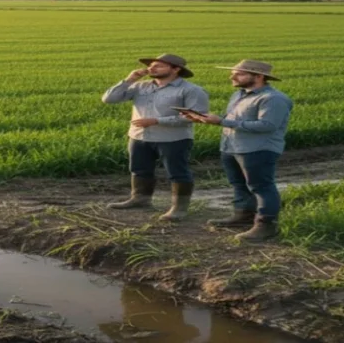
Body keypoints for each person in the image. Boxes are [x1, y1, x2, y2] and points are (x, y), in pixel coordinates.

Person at [179, 60, 293, 242]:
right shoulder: (238, 95)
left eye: (239, 74)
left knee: (261, 187)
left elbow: (267, 125)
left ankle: (266, 226)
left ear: (259, 76)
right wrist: (203, 119)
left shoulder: (273, 98)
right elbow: (234, 120)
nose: (232, 77)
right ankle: (243, 216)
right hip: (231, 146)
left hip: (257, 149)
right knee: (239, 184)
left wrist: (221, 121)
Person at [102, 53, 210, 221]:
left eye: (159, 65)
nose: (152, 68)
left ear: (176, 69)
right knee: (139, 169)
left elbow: (196, 117)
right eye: (151, 65)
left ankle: (179, 208)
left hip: (173, 139)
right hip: (139, 136)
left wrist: (157, 121)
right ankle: (140, 200)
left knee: (178, 173)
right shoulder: (140, 86)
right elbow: (109, 99)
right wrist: (129, 79)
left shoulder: (192, 90)